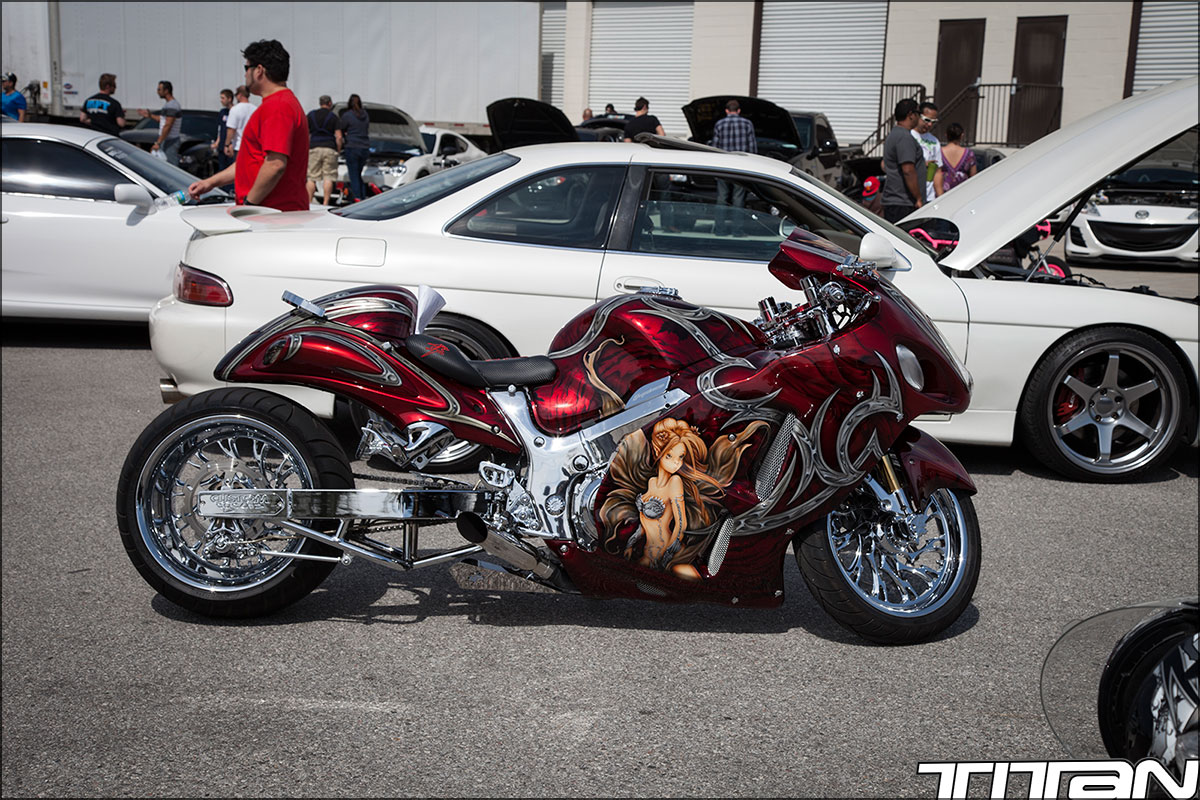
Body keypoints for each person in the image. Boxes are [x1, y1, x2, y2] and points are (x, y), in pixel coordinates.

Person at [599, 416, 767, 580]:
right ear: (658, 451)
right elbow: (644, 524)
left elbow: (681, 523)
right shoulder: (651, 482)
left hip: (668, 553)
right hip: (647, 554)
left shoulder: (675, 482)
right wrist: (630, 544)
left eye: (680, 457)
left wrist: (668, 555)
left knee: (685, 577)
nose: (676, 463)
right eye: (669, 456)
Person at [186, 39, 309, 212]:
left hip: (272, 215)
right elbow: (247, 164)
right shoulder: (278, 104)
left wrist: (249, 205)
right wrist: (209, 183)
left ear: (259, 70)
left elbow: (275, 165)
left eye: (246, 68)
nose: (244, 75)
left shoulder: (278, 106)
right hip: (272, 214)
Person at [709, 99, 757, 236]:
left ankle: (719, 230)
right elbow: (752, 147)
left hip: (723, 166)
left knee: (722, 198)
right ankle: (737, 231)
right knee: (738, 198)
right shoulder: (747, 124)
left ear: (726, 111)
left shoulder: (719, 124)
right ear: (739, 110)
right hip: (741, 167)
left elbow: (714, 148)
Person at [880, 98, 925, 223]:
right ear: (911, 115)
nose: (919, 118)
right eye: (918, 114)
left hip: (896, 201)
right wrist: (918, 198)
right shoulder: (904, 137)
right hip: (903, 202)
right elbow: (908, 170)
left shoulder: (894, 134)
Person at [306, 94, 343, 205]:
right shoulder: (333, 117)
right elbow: (339, 136)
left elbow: (306, 134)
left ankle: (309, 202)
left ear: (320, 103)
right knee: (328, 177)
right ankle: (325, 203)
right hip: (329, 148)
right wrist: (338, 150)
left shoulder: (311, 115)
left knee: (311, 177)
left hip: (314, 147)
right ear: (330, 103)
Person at [136, 80, 181, 165]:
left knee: (171, 166)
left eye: (159, 89)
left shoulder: (172, 105)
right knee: (165, 165)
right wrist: (150, 115)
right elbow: (163, 120)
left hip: (170, 141)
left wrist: (158, 143)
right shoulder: (169, 105)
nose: (157, 92)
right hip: (167, 140)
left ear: (166, 91)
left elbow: (168, 125)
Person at [339, 93, 370, 202]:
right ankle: (362, 196)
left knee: (353, 175)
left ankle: (357, 198)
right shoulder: (365, 115)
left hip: (352, 147)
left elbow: (341, 129)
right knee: (358, 174)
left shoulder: (347, 115)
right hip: (364, 147)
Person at [912, 101, 944, 201]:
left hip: (929, 196)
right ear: (918, 116)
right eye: (927, 120)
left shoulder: (934, 141)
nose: (930, 124)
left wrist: (941, 197)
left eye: (933, 122)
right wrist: (922, 164)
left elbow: (938, 171)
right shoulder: (908, 136)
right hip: (910, 195)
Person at [941, 121, 978, 192]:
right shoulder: (969, 154)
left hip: (943, 193)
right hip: (963, 192)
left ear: (946, 135)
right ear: (962, 135)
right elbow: (973, 176)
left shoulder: (939, 152)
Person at [224, 85, 254, 162]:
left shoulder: (235, 109)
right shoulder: (255, 109)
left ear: (240, 95)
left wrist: (227, 144)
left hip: (239, 147)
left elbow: (231, 129)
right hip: (252, 147)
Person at [213, 88, 235, 172]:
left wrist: (230, 144)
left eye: (223, 98)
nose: (221, 100)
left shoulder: (235, 111)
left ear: (229, 99)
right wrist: (217, 143)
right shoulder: (222, 112)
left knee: (231, 169)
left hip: (231, 146)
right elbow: (220, 129)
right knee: (222, 169)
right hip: (222, 146)